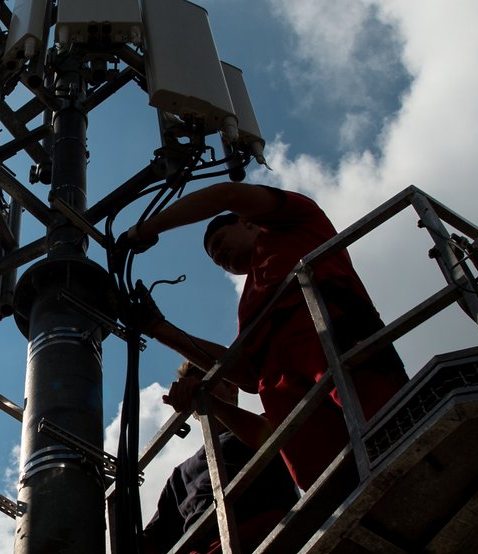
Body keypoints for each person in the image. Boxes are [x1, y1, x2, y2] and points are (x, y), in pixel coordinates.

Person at [120, 183, 410, 492]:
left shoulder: (297, 226)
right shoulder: (250, 306)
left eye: (219, 241)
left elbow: (226, 195)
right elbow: (245, 373)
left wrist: (146, 228)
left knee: (390, 432)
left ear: (246, 221)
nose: (218, 255)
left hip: (342, 350)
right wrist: (157, 328)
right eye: (214, 258)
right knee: (332, 483)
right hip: (311, 442)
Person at [144, 424, 298, 554]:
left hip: (262, 527)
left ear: (235, 389)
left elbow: (282, 438)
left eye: (226, 387)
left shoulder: (255, 424)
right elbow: (153, 551)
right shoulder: (179, 476)